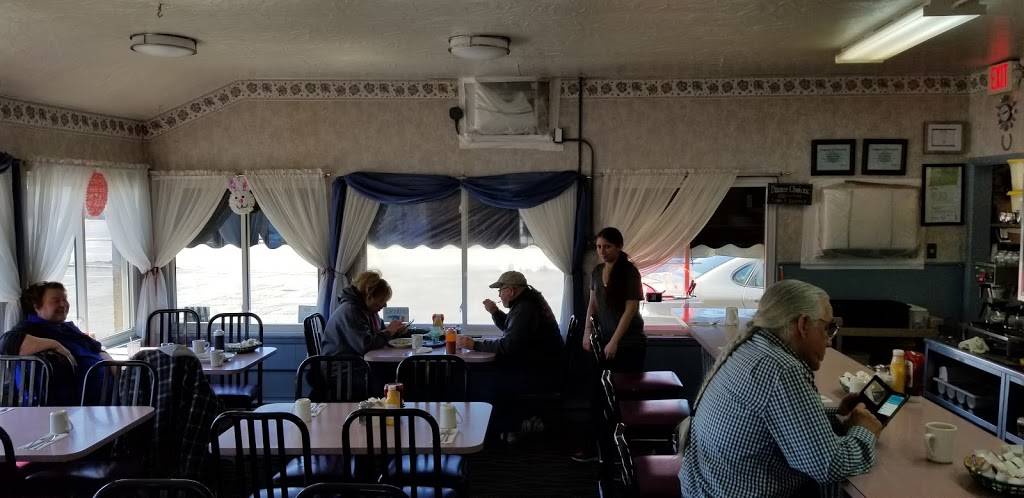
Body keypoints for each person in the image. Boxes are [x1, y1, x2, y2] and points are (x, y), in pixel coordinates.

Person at [679, 279, 882, 497]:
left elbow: (770, 417)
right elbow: (829, 465)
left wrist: (838, 413)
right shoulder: (781, 369)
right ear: (803, 324)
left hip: (701, 487)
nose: (829, 341)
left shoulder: (752, 347)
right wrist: (864, 430)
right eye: (826, 328)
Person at [0, 281, 112, 405]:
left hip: (108, 391)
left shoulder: (66, 327)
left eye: (64, 299)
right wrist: (54, 344)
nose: (63, 304)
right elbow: (6, 343)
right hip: (76, 404)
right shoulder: (32, 328)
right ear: (37, 306)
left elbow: (96, 347)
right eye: (56, 301)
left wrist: (110, 363)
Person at [457, 270, 563, 374]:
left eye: (500, 290)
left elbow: (508, 346)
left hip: (539, 370)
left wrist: (474, 344)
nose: (499, 295)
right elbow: (514, 329)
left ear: (511, 291)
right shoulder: (527, 301)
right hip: (542, 364)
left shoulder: (525, 307)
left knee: (476, 371)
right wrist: (495, 312)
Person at [582, 227, 646, 372]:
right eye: (599, 247)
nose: (602, 251)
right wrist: (587, 332)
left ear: (619, 246)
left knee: (625, 383)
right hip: (605, 337)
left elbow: (630, 310)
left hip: (629, 341)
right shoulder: (597, 271)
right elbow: (592, 304)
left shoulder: (630, 272)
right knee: (605, 383)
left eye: (607, 247)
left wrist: (614, 341)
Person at [321, 271, 405, 356]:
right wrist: (389, 331)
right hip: (341, 362)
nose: (384, 305)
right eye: (381, 300)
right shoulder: (351, 311)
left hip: (354, 358)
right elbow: (365, 345)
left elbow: (381, 331)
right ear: (369, 296)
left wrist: (396, 331)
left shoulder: (367, 310)